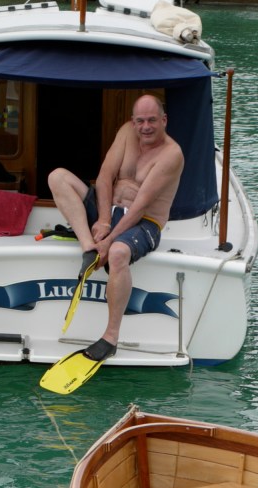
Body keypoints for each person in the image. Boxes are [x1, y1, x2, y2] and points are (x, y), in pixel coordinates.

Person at [48, 94, 184, 360]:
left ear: (164, 120)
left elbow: (141, 205)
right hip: (109, 211)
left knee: (119, 253)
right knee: (58, 177)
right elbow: (104, 177)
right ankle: (88, 249)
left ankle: (110, 338)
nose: (146, 127)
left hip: (144, 221)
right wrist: (102, 221)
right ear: (133, 121)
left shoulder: (172, 154)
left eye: (152, 120)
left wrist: (109, 241)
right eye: (140, 121)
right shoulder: (126, 133)